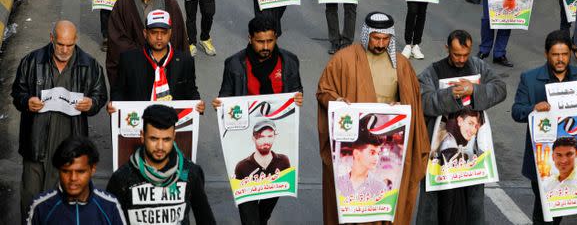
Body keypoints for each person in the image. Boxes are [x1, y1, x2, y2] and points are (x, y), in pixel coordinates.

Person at [317, 12, 429, 225]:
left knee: (384, 200)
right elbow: (324, 91)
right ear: (367, 34)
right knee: (352, 202)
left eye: (385, 39)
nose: (380, 43)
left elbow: (412, 100)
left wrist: (400, 105)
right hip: (356, 142)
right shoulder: (344, 59)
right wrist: (338, 99)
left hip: (387, 146)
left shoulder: (402, 64)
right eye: (376, 38)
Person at [11, 21, 108, 219]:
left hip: (70, 147)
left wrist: (91, 104)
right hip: (36, 145)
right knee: (31, 199)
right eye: (60, 44)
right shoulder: (32, 61)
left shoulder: (89, 66)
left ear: (75, 41)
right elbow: (17, 92)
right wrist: (26, 101)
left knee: (63, 204)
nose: (64, 50)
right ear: (51, 38)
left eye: (69, 45)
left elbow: (100, 96)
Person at [212, 15, 302, 223]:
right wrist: (221, 104)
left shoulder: (289, 62)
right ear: (250, 38)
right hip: (243, 142)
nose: (265, 46)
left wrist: (297, 97)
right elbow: (225, 95)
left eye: (270, 41)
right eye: (260, 41)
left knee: (268, 204)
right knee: (248, 206)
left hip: (279, 141)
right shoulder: (235, 64)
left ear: (276, 38)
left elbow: (296, 90)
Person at [511, 29, 577, 224]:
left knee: (558, 208)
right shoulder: (530, 78)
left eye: (564, 54)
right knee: (545, 209)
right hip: (542, 159)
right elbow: (516, 111)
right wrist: (533, 108)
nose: (560, 59)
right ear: (546, 54)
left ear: (570, 54)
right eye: (555, 54)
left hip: (570, 158)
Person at [416, 29, 507, 225]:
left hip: (471, 150)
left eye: (465, 54)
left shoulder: (478, 66)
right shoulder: (433, 71)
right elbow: (423, 100)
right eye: (456, 54)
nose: (461, 59)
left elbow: (500, 88)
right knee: (437, 202)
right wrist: (451, 95)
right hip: (439, 151)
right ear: (447, 48)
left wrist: (475, 90)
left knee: (471, 201)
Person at [106, 105, 215, 225]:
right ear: (142, 136)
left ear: (174, 137)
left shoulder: (191, 173)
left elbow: (206, 220)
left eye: (166, 139)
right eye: (153, 139)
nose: (160, 147)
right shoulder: (122, 178)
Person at [106, 0, 189, 86]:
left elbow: (179, 39)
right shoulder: (123, 3)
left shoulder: (171, 5)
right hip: (134, 72)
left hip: (164, 71)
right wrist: (145, 56)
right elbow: (116, 40)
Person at [108, 10, 203, 111]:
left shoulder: (185, 61)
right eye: (154, 32)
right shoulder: (128, 59)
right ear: (145, 33)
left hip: (172, 122)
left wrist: (198, 103)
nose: (159, 37)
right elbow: (118, 91)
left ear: (170, 33)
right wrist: (114, 104)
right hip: (138, 122)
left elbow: (191, 90)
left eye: (164, 32)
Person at [25, 136, 125, 225]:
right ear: (58, 170)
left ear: (93, 169)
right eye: (66, 171)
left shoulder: (110, 206)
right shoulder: (41, 207)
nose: (73, 178)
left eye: (80, 171)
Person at [334, 116, 388, 199]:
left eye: (378, 153)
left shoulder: (380, 187)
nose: (377, 158)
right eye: (372, 152)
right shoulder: (338, 183)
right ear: (356, 154)